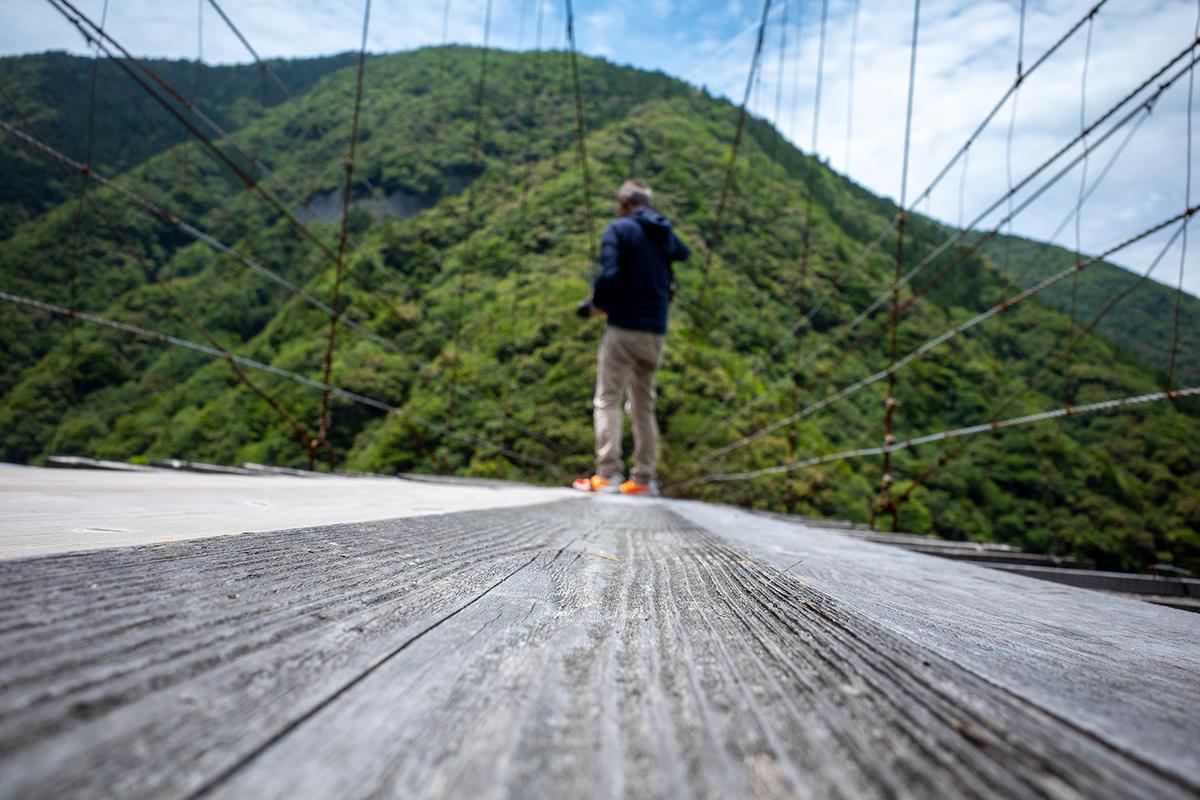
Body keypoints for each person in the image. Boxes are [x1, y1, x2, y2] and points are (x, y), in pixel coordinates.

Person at [573, 179, 690, 496]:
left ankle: (609, 474)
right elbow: (684, 252)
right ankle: (643, 479)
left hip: (623, 327)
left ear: (625, 200)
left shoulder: (618, 230)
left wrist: (596, 306)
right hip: (655, 333)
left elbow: (610, 275)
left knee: (608, 398)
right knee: (643, 405)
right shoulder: (663, 233)